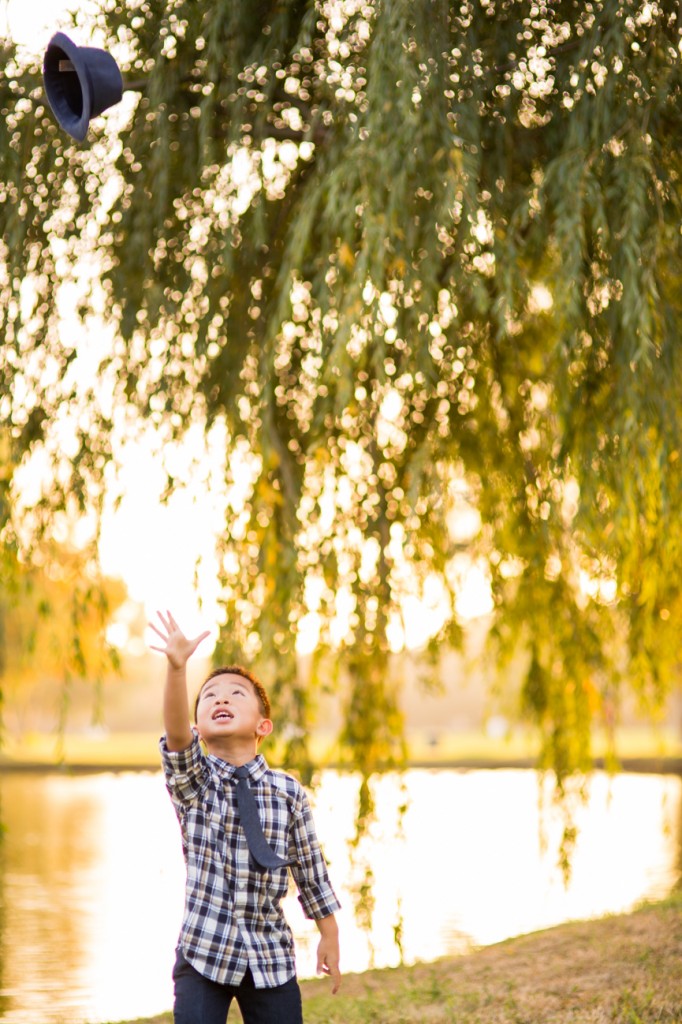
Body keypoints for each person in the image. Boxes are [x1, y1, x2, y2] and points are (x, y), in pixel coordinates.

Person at [149, 609, 341, 1024]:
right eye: (210, 696)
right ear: (198, 726)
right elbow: (176, 738)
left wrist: (329, 933)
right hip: (204, 951)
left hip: (269, 955)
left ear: (263, 725)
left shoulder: (288, 793)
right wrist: (177, 668)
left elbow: (311, 869)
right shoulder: (195, 783)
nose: (221, 698)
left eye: (237, 694)